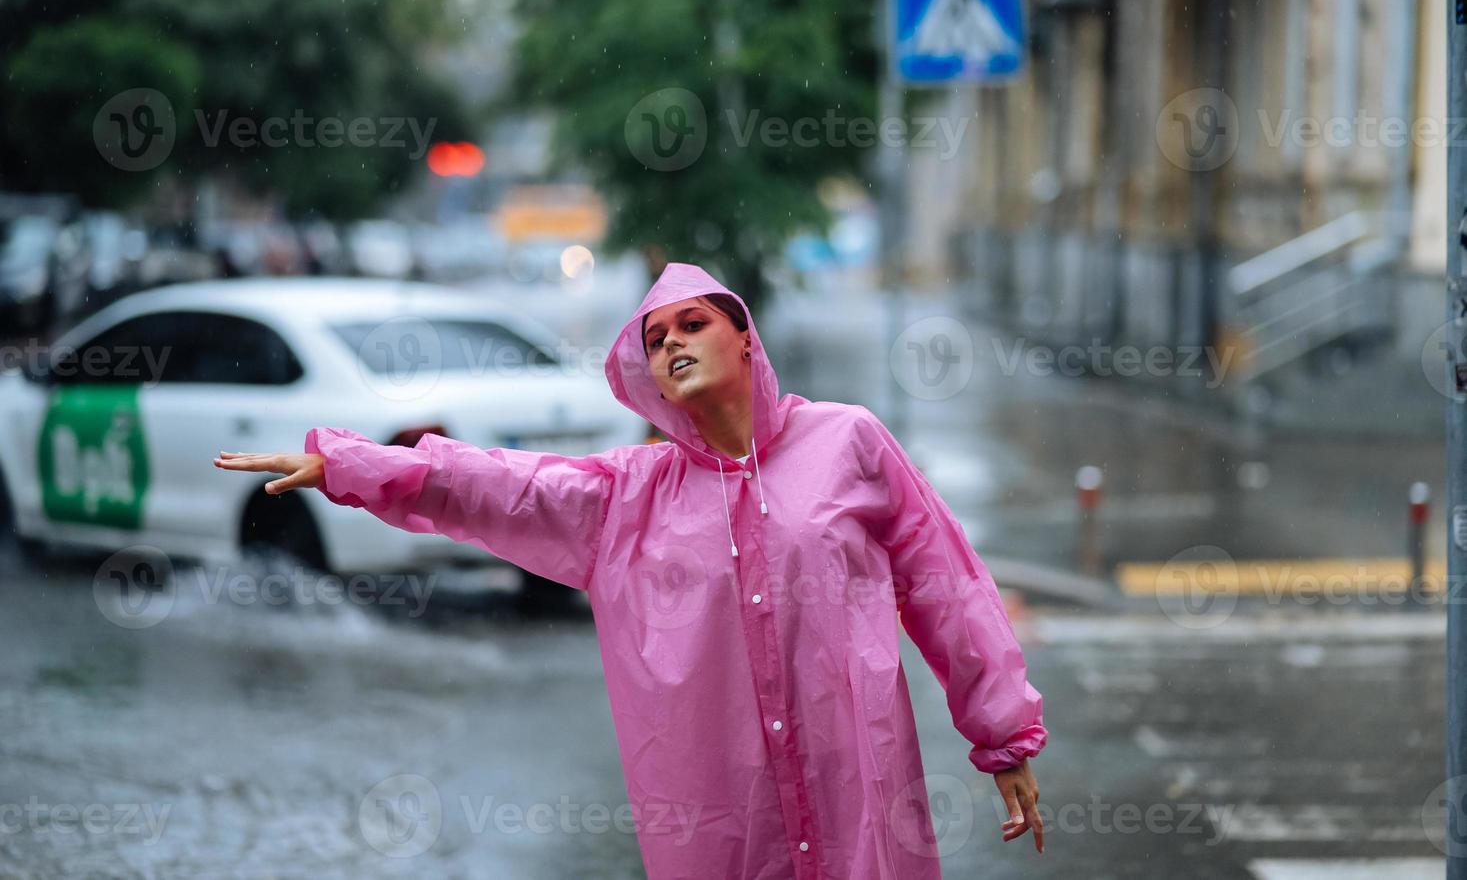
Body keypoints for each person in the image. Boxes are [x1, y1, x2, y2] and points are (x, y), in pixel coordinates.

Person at [214, 261, 1047, 878]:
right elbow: (498, 483)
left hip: (853, 789)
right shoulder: (629, 497)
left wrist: (1001, 732)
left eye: (691, 324)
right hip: (724, 819)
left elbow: (945, 580)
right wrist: (352, 466)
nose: (672, 344)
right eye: (655, 339)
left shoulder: (849, 442)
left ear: (744, 336)